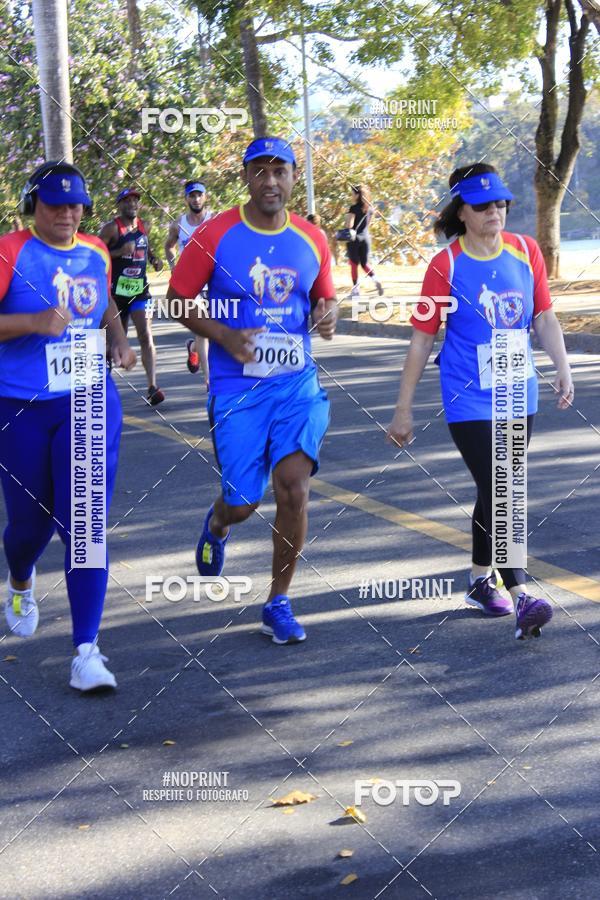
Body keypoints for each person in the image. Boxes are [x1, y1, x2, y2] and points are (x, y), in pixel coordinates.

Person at [387, 163, 573, 640]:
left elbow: (545, 317)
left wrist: (562, 369)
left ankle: (477, 579)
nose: (496, 212)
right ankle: (522, 594)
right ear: (462, 213)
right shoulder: (444, 265)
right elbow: (421, 340)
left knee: (496, 491)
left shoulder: (526, 250)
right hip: (468, 397)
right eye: (483, 206)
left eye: (501, 203)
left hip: (518, 391)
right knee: (502, 487)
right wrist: (403, 409)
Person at [167, 136, 337, 645]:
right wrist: (222, 335)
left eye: (279, 171)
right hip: (236, 389)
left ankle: (278, 600)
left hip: (296, 386)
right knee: (243, 504)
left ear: (291, 176)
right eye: (259, 171)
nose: (270, 181)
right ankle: (219, 523)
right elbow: (176, 301)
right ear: (245, 178)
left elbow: (325, 300)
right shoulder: (215, 234)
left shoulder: (312, 238)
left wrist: (329, 315)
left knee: (294, 489)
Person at [0, 161, 136, 689]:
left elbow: (104, 307)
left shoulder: (96, 251)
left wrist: (119, 339)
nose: (68, 213)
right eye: (56, 204)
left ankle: (87, 651)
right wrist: (34, 322)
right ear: (33, 205)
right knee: (28, 527)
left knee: (84, 525)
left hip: (87, 398)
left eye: (76, 204)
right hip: (20, 407)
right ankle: (19, 577)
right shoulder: (11, 251)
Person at [99, 188, 164, 405]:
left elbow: (147, 248)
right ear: (119, 205)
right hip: (116, 295)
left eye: (135, 200)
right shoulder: (111, 229)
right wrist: (118, 252)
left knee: (146, 335)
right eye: (127, 201)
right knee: (114, 344)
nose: (132, 204)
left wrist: (154, 259)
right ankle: (99, 386)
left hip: (139, 291)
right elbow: (95, 254)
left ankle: (152, 386)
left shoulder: (144, 226)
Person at [164, 180, 211, 386]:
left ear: (205, 197)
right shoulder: (178, 224)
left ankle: (193, 349)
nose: (196, 199)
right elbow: (169, 247)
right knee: (203, 327)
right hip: (193, 283)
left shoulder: (214, 220)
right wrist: (174, 268)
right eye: (192, 195)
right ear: (186, 199)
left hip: (214, 280)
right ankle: (209, 380)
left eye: (199, 195)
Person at [344, 184, 383, 298]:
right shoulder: (370, 208)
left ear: (357, 195)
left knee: (354, 265)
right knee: (365, 263)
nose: (352, 196)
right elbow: (368, 224)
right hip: (366, 238)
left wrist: (346, 221)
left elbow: (350, 224)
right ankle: (376, 281)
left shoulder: (353, 208)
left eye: (353, 194)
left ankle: (356, 291)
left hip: (354, 239)